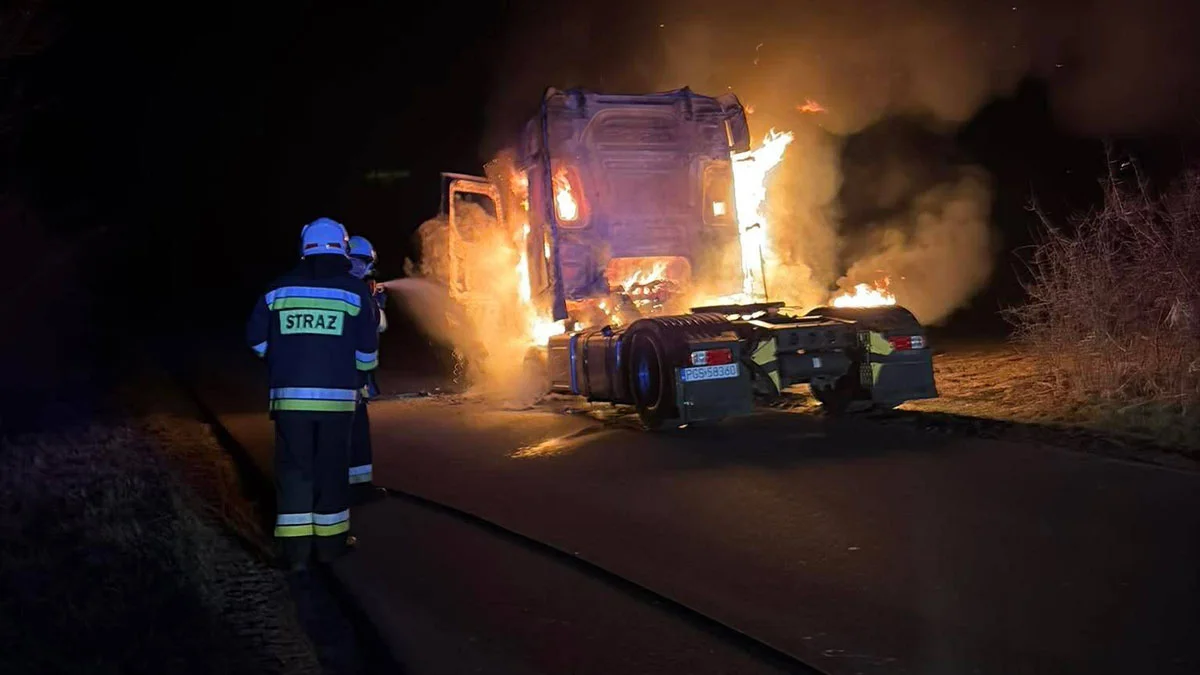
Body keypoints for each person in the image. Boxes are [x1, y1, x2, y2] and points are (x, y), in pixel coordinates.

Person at [246, 217, 379, 571]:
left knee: (293, 471)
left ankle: (295, 554)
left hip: (289, 401)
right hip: (338, 403)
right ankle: (331, 547)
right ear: (343, 248)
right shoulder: (355, 293)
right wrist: (355, 372)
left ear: (303, 248)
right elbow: (368, 352)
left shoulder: (277, 290)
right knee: (332, 470)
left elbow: (257, 341)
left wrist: (284, 358)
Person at [347, 234, 387, 505]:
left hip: (341, 379)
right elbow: (377, 327)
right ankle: (356, 489)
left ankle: (358, 485)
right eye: (362, 262)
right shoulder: (356, 291)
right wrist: (375, 303)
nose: (365, 269)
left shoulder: (332, 286)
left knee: (356, 433)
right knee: (353, 433)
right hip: (350, 380)